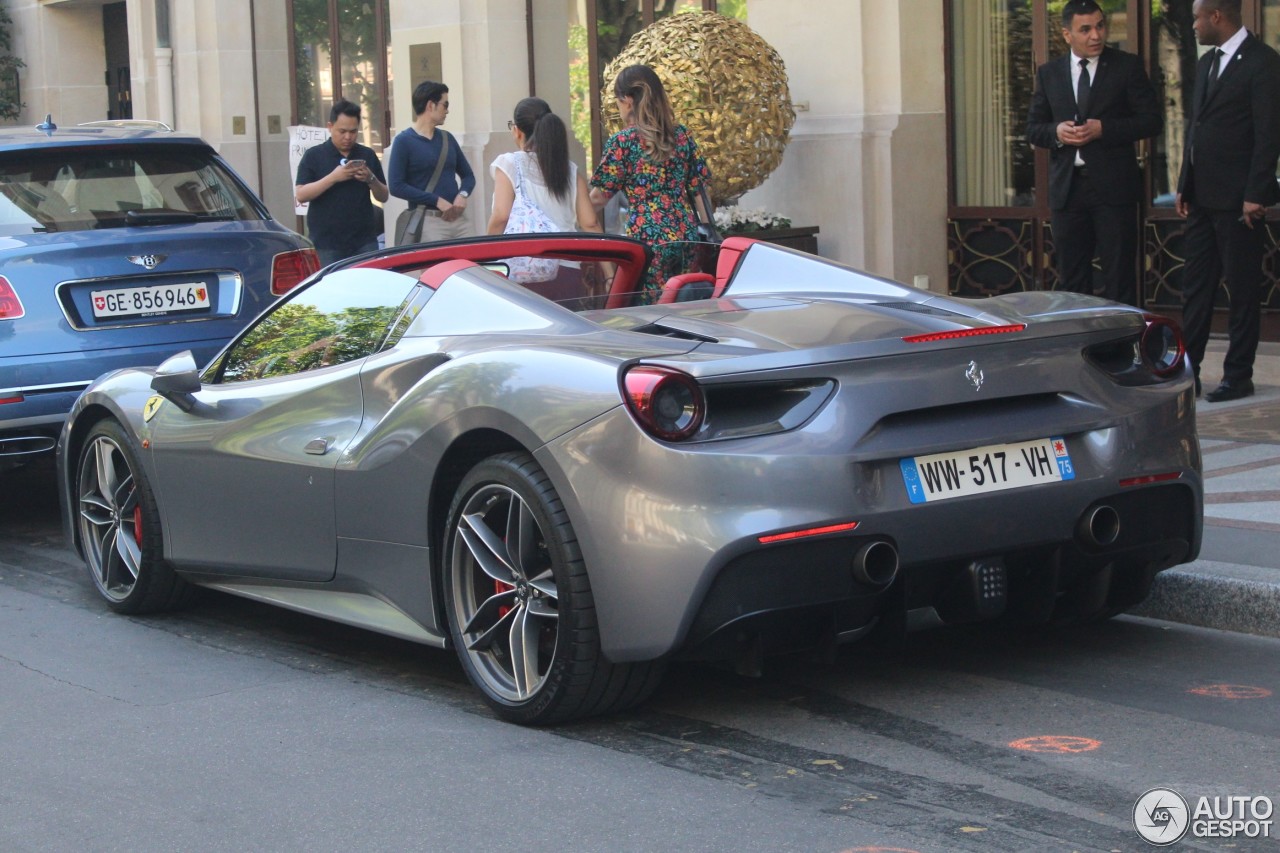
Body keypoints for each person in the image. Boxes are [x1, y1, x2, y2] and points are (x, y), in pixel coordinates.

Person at [1175, 0, 1280, 402]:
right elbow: (1195, 127)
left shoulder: (1262, 62)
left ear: (1216, 16)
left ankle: (1238, 375)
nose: (1195, 26)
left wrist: (1256, 193)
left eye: (1197, 18)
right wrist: (1185, 181)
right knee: (1195, 288)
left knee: (1242, 288)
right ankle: (1189, 373)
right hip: (1202, 197)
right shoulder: (1205, 64)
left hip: (1239, 203)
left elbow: (1268, 133)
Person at [1026, 0, 1161, 306]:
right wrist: (1057, 132)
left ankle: (1121, 348)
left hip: (1114, 190)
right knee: (1072, 281)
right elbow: (1034, 128)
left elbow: (1152, 121)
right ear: (1066, 34)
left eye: (1100, 26)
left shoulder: (1126, 66)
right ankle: (1081, 347)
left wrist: (1104, 129)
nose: (1095, 35)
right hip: (1067, 190)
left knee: (1119, 276)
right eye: (1085, 29)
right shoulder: (1049, 74)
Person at [589, 64, 710, 302]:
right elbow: (701, 193)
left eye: (617, 101)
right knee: (684, 303)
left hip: (647, 237)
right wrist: (708, 237)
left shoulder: (623, 141)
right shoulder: (681, 135)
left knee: (650, 308)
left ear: (628, 100)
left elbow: (599, 197)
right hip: (686, 233)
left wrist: (572, 214)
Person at [294, 99, 389, 266]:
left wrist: (370, 178)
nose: (348, 137)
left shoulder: (366, 155)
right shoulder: (314, 156)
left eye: (353, 132)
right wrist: (333, 177)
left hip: (364, 241)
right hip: (327, 244)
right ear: (330, 127)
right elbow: (301, 195)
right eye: (342, 131)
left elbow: (384, 195)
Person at [487, 97, 600, 236]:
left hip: (525, 254)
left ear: (517, 131)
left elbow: (501, 217)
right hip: (565, 253)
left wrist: (487, 252)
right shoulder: (570, 170)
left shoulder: (509, 163)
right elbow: (590, 223)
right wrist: (608, 256)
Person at [387, 80, 477, 243]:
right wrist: (436, 200)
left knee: (474, 263)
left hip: (458, 219)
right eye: (445, 104)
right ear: (431, 105)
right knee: (438, 267)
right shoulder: (404, 141)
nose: (447, 110)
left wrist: (463, 194)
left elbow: (468, 176)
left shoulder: (447, 139)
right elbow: (396, 186)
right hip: (428, 220)